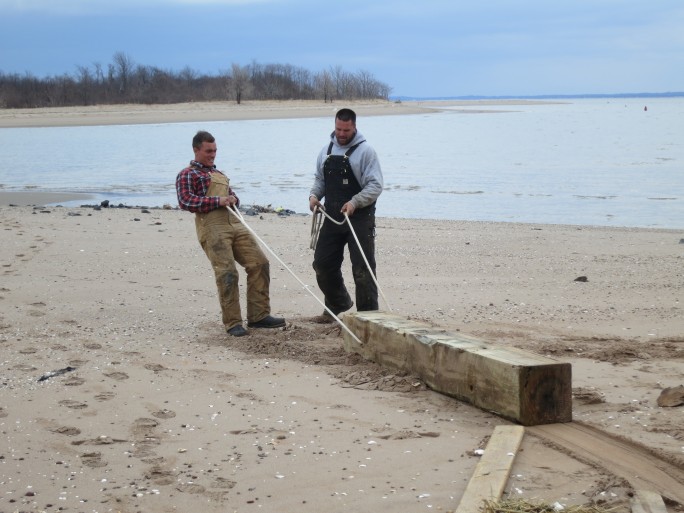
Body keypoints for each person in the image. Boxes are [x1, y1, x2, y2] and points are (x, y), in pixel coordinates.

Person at [176, 130, 285, 337]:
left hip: (235, 223)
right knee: (227, 272)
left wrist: (234, 199)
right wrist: (218, 201)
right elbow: (186, 201)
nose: (212, 155)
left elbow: (231, 195)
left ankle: (259, 316)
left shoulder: (219, 174)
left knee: (259, 263)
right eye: (208, 151)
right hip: (212, 227)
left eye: (215, 150)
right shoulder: (187, 174)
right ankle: (233, 322)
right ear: (196, 149)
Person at [308, 108, 383, 321]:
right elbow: (320, 180)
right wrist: (314, 196)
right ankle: (337, 303)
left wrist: (355, 202)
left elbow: (376, 185)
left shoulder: (366, 151)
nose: (342, 134)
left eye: (346, 130)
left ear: (354, 127)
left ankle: (369, 318)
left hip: (359, 218)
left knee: (362, 269)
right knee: (322, 264)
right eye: (339, 129)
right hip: (332, 217)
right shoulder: (326, 150)